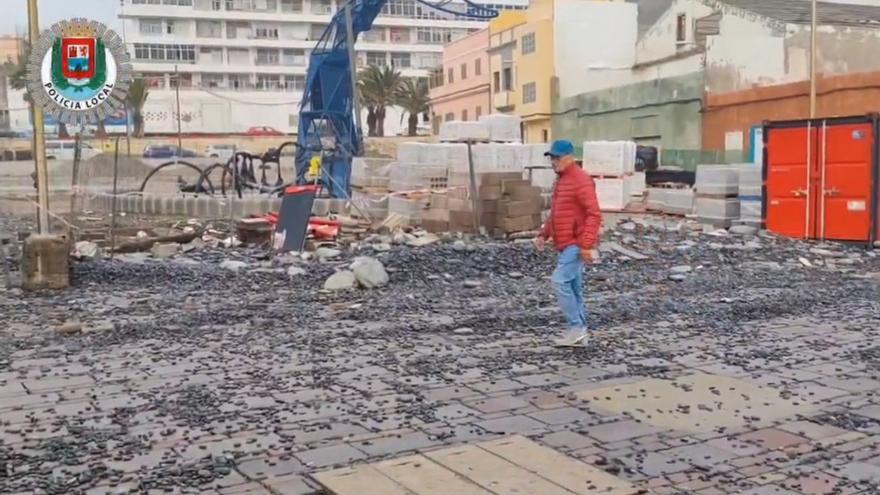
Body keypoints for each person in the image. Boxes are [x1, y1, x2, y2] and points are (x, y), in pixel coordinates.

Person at [534, 139, 602, 347]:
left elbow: (594, 214)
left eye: (557, 157)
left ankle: (576, 328)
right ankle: (579, 332)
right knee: (573, 287)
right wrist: (543, 234)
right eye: (552, 158)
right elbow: (558, 213)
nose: (554, 161)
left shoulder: (580, 180)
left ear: (570, 157)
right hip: (566, 243)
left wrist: (586, 245)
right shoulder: (562, 180)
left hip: (575, 242)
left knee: (559, 281)